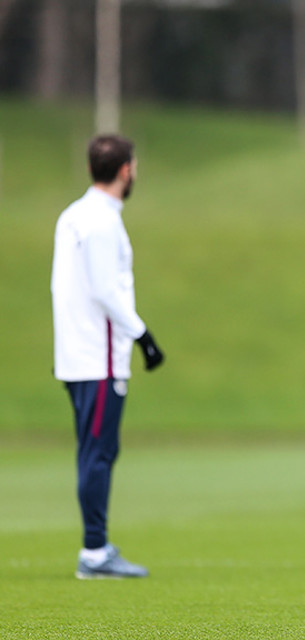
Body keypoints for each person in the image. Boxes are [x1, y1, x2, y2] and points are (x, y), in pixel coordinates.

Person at [52, 134, 165, 579]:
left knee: (95, 451)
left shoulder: (73, 216)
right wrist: (143, 335)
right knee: (98, 453)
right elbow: (102, 290)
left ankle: (95, 547)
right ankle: (95, 553)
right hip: (98, 359)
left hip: (77, 354)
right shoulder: (101, 222)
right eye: (134, 165)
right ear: (125, 170)